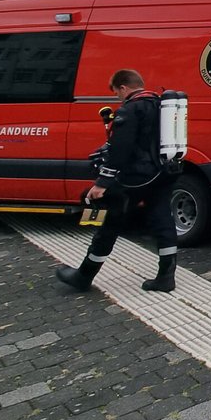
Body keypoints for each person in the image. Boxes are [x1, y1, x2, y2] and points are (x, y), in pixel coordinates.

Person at [56, 70, 178, 293]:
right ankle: (166, 277)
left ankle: (84, 275)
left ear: (123, 87)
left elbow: (121, 149)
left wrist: (102, 183)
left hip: (134, 178)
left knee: (110, 224)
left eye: (116, 92)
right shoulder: (162, 106)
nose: (117, 97)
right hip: (162, 174)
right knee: (163, 222)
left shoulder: (130, 110)